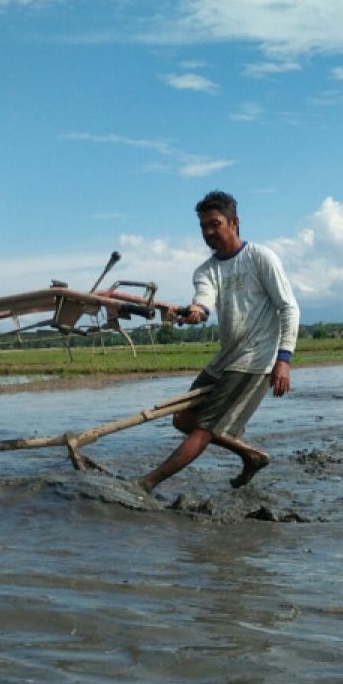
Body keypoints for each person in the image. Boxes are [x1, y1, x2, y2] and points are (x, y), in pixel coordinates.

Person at [138, 190, 300, 493]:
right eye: (203, 227)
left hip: (254, 359)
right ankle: (251, 456)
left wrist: (283, 360)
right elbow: (203, 302)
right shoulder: (206, 270)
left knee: (204, 429)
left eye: (215, 224)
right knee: (182, 419)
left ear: (234, 222)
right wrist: (195, 312)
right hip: (225, 357)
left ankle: (147, 484)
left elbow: (288, 307)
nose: (208, 232)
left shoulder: (260, 258)